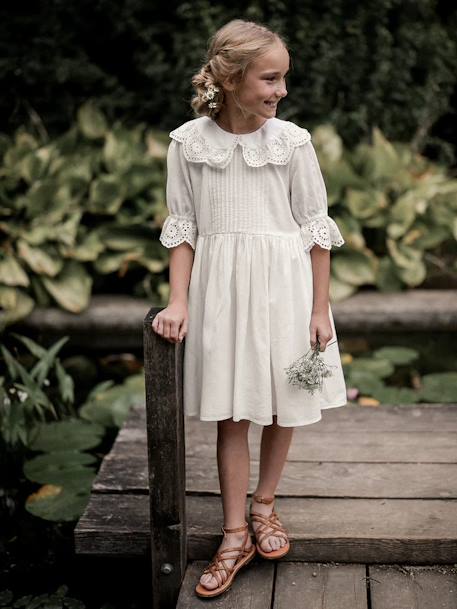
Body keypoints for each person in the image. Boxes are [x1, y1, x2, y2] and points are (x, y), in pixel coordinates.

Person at [152, 18, 347, 599]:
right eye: (270, 78)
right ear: (231, 79)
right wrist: (179, 300)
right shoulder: (188, 143)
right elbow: (184, 229)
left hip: (286, 290)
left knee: (285, 402)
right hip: (224, 294)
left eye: (284, 78)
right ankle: (233, 532)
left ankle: (266, 505)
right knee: (234, 411)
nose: (282, 90)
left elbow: (316, 230)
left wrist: (319, 310)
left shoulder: (292, 143)